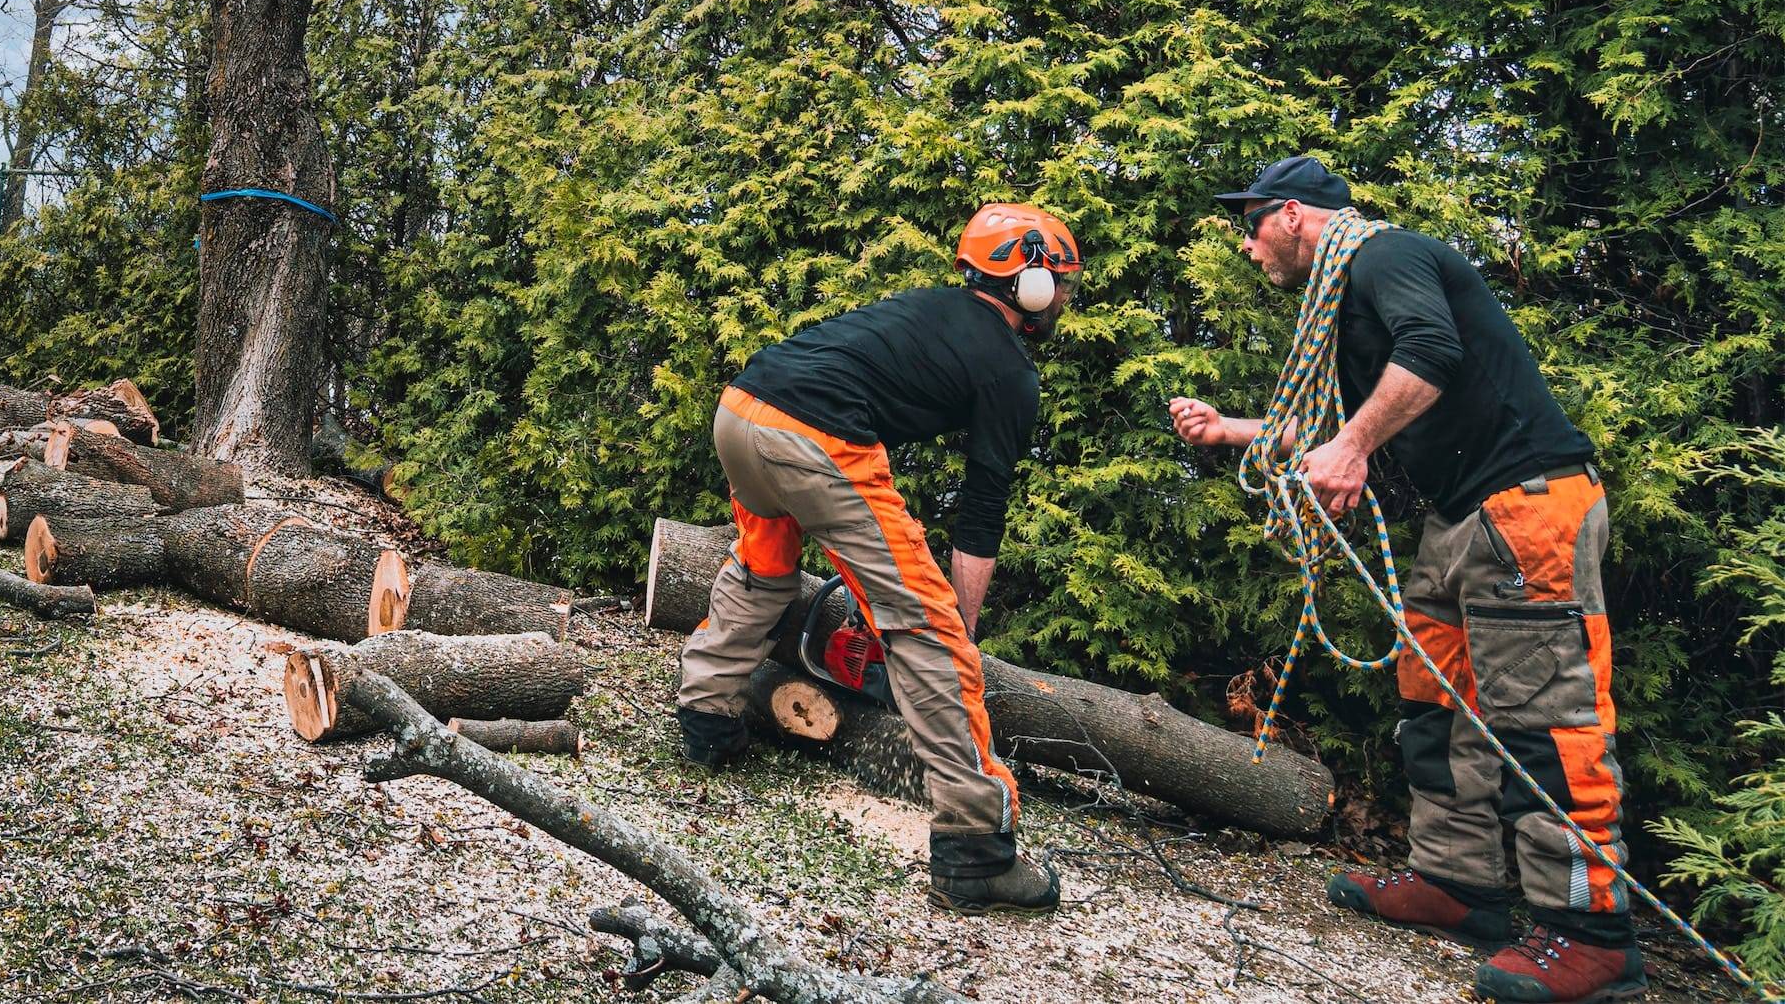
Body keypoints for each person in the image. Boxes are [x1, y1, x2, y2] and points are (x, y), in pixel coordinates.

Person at [1171, 154, 1635, 1004]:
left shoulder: (1385, 256)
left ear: (1292, 215)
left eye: (1251, 225)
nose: (1247, 246)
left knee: (1545, 724)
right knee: (1432, 703)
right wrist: (1230, 430)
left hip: (1528, 506)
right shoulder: (1349, 295)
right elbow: (1324, 422)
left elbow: (1432, 350)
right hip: (1462, 518)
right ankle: (1457, 885)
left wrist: (1353, 448)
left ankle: (1593, 936)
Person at [674, 202, 1081, 914]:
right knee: (927, 623)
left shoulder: (931, 308)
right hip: (812, 435)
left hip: (741, 410)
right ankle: (976, 844)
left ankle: (707, 716)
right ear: (1034, 282)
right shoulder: (1009, 370)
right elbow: (980, 519)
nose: (1065, 301)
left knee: (763, 564)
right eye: (1064, 285)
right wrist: (956, 631)